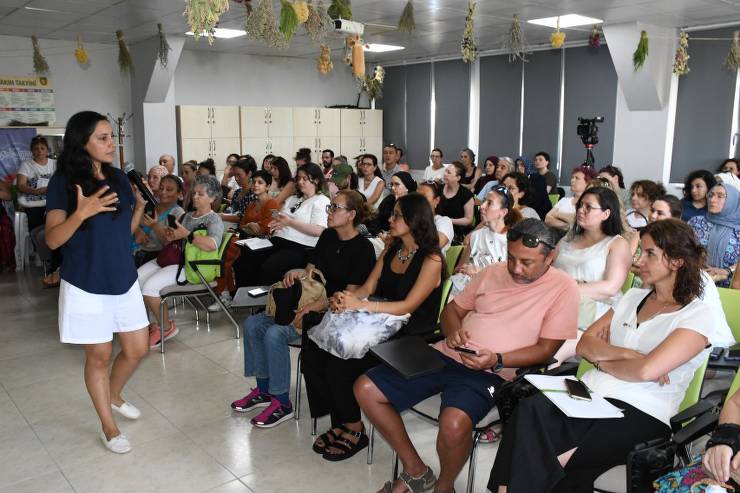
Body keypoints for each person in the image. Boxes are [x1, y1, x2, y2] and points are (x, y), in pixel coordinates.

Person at [489, 218, 717, 493]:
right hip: (590, 395)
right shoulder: (632, 297)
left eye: (649, 254)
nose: (638, 260)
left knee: (551, 455)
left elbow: (645, 372)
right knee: (529, 408)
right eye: (639, 251)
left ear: (677, 261)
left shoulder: (698, 316)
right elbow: (585, 344)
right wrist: (628, 355)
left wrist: (609, 359)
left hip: (642, 412)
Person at [357, 218, 579, 493]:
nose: (516, 268)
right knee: (366, 388)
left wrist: (497, 359)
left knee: (453, 422)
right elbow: (451, 311)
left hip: (494, 372)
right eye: (511, 258)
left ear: (551, 256)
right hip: (447, 355)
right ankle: (415, 470)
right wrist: (452, 332)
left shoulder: (564, 288)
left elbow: (546, 350)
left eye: (527, 262)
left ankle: (444, 485)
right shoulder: (492, 272)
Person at [45, 111, 149, 454]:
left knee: (137, 349)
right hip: (86, 283)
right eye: (102, 138)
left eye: (111, 136)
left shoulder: (118, 178)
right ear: (82, 142)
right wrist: (81, 213)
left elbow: (122, 236)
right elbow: (53, 240)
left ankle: (114, 395)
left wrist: (137, 211)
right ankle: (108, 426)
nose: (112, 143)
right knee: (100, 357)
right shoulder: (63, 183)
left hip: (123, 278)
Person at [233, 191, 377, 432]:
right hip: (309, 301)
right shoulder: (329, 236)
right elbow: (310, 271)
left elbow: (351, 295)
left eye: (335, 208)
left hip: (335, 312)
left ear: (352, 215)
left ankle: (281, 401)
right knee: (252, 325)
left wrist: (318, 306)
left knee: (275, 334)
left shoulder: (363, 249)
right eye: (330, 206)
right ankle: (265, 389)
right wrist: (296, 272)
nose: (329, 212)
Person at [137, 175, 224, 348]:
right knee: (135, 281)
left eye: (201, 194)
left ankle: (166, 327)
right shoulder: (188, 216)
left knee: (149, 289)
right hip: (176, 258)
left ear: (213, 198)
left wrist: (187, 235)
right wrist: (171, 235)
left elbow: (212, 245)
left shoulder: (214, 219)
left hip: (193, 266)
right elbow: (172, 242)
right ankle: (146, 326)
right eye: (194, 193)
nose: (195, 197)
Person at [552, 187, 632, 361]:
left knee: (553, 349)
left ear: (606, 214)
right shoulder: (568, 238)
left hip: (594, 313)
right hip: (558, 305)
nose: (581, 210)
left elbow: (610, 287)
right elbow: (548, 267)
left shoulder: (616, 244)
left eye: (589, 207)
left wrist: (565, 289)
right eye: (581, 205)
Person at [648, 195, 735, 348]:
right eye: (652, 210)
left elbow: (689, 330)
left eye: (650, 254)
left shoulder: (691, 277)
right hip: (676, 341)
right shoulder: (661, 271)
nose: (653, 216)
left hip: (708, 348)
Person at [233, 163, 330, 287]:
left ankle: (265, 302)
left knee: (269, 268)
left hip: (300, 247)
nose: (300, 182)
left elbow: (318, 230)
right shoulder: (293, 199)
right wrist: (275, 222)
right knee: (244, 261)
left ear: (316, 180)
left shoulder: (321, 200)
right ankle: (244, 299)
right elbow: (280, 217)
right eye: (298, 178)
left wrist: (289, 222)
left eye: (305, 179)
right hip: (277, 241)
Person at [210, 170, 279, 311]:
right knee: (224, 248)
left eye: (260, 182)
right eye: (254, 182)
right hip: (247, 239)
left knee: (227, 253)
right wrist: (251, 227)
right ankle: (225, 292)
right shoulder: (251, 204)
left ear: (268, 186)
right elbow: (243, 225)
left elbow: (268, 226)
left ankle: (225, 293)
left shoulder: (272, 203)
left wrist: (256, 227)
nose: (256, 185)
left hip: (264, 242)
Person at [451, 186, 521, 296]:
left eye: (489, 203)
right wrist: (464, 270)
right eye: (483, 201)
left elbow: (511, 284)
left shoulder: (512, 242)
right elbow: (459, 269)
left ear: (502, 212)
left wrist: (481, 274)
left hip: (488, 295)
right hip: (460, 288)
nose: (482, 206)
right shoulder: (476, 235)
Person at [688, 183, 740, 288]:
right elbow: (681, 248)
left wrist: (727, 271)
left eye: (720, 196)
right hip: (695, 283)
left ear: (733, 201)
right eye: (710, 195)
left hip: (730, 286)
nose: (712, 200)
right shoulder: (696, 222)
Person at [133, 175, 185, 267]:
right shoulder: (149, 203)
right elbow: (133, 219)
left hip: (153, 259)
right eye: (161, 188)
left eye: (169, 190)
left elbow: (168, 243)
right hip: (133, 251)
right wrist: (137, 230)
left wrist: (154, 226)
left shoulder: (178, 213)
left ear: (179, 194)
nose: (163, 192)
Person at [16, 135, 57, 232]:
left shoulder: (56, 164)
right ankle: (36, 246)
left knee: (54, 229)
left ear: (47, 150)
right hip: (34, 204)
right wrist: (35, 191)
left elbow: (63, 182)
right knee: (36, 231)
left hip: (54, 202)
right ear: (32, 151)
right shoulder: (26, 164)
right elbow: (20, 185)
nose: (39, 151)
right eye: (36, 149)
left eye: (42, 148)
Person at [546, 165, 596, 232]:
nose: (572, 180)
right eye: (572, 177)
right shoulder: (564, 200)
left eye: (577, 178)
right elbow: (547, 219)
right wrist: (568, 226)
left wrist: (557, 214)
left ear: (588, 183)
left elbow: (578, 222)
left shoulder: (590, 204)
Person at [367, 171, 416, 235]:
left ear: (407, 187)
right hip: (382, 235)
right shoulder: (390, 199)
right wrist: (380, 233)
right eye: (392, 184)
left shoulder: (414, 203)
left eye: (397, 184)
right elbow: (376, 219)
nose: (392, 188)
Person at [437, 161, 474, 242]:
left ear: (458, 178)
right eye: (446, 171)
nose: (445, 174)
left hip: (457, 234)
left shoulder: (466, 194)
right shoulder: (438, 189)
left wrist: (447, 220)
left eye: (449, 172)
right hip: (437, 229)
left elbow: (468, 219)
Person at [418, 181, 454, 255]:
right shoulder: (411, 219)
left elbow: (434, 246)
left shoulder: (444, 221)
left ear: (436, 200)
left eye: (423, 197)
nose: (417, 201)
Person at [219, 156, 257, 225]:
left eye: (239, 175)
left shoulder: (254, 194)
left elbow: (245, 217)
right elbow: (233, 211)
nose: (236, 178)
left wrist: (221, 216)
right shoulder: (237, 192)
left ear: (249, 174)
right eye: (235, 175)